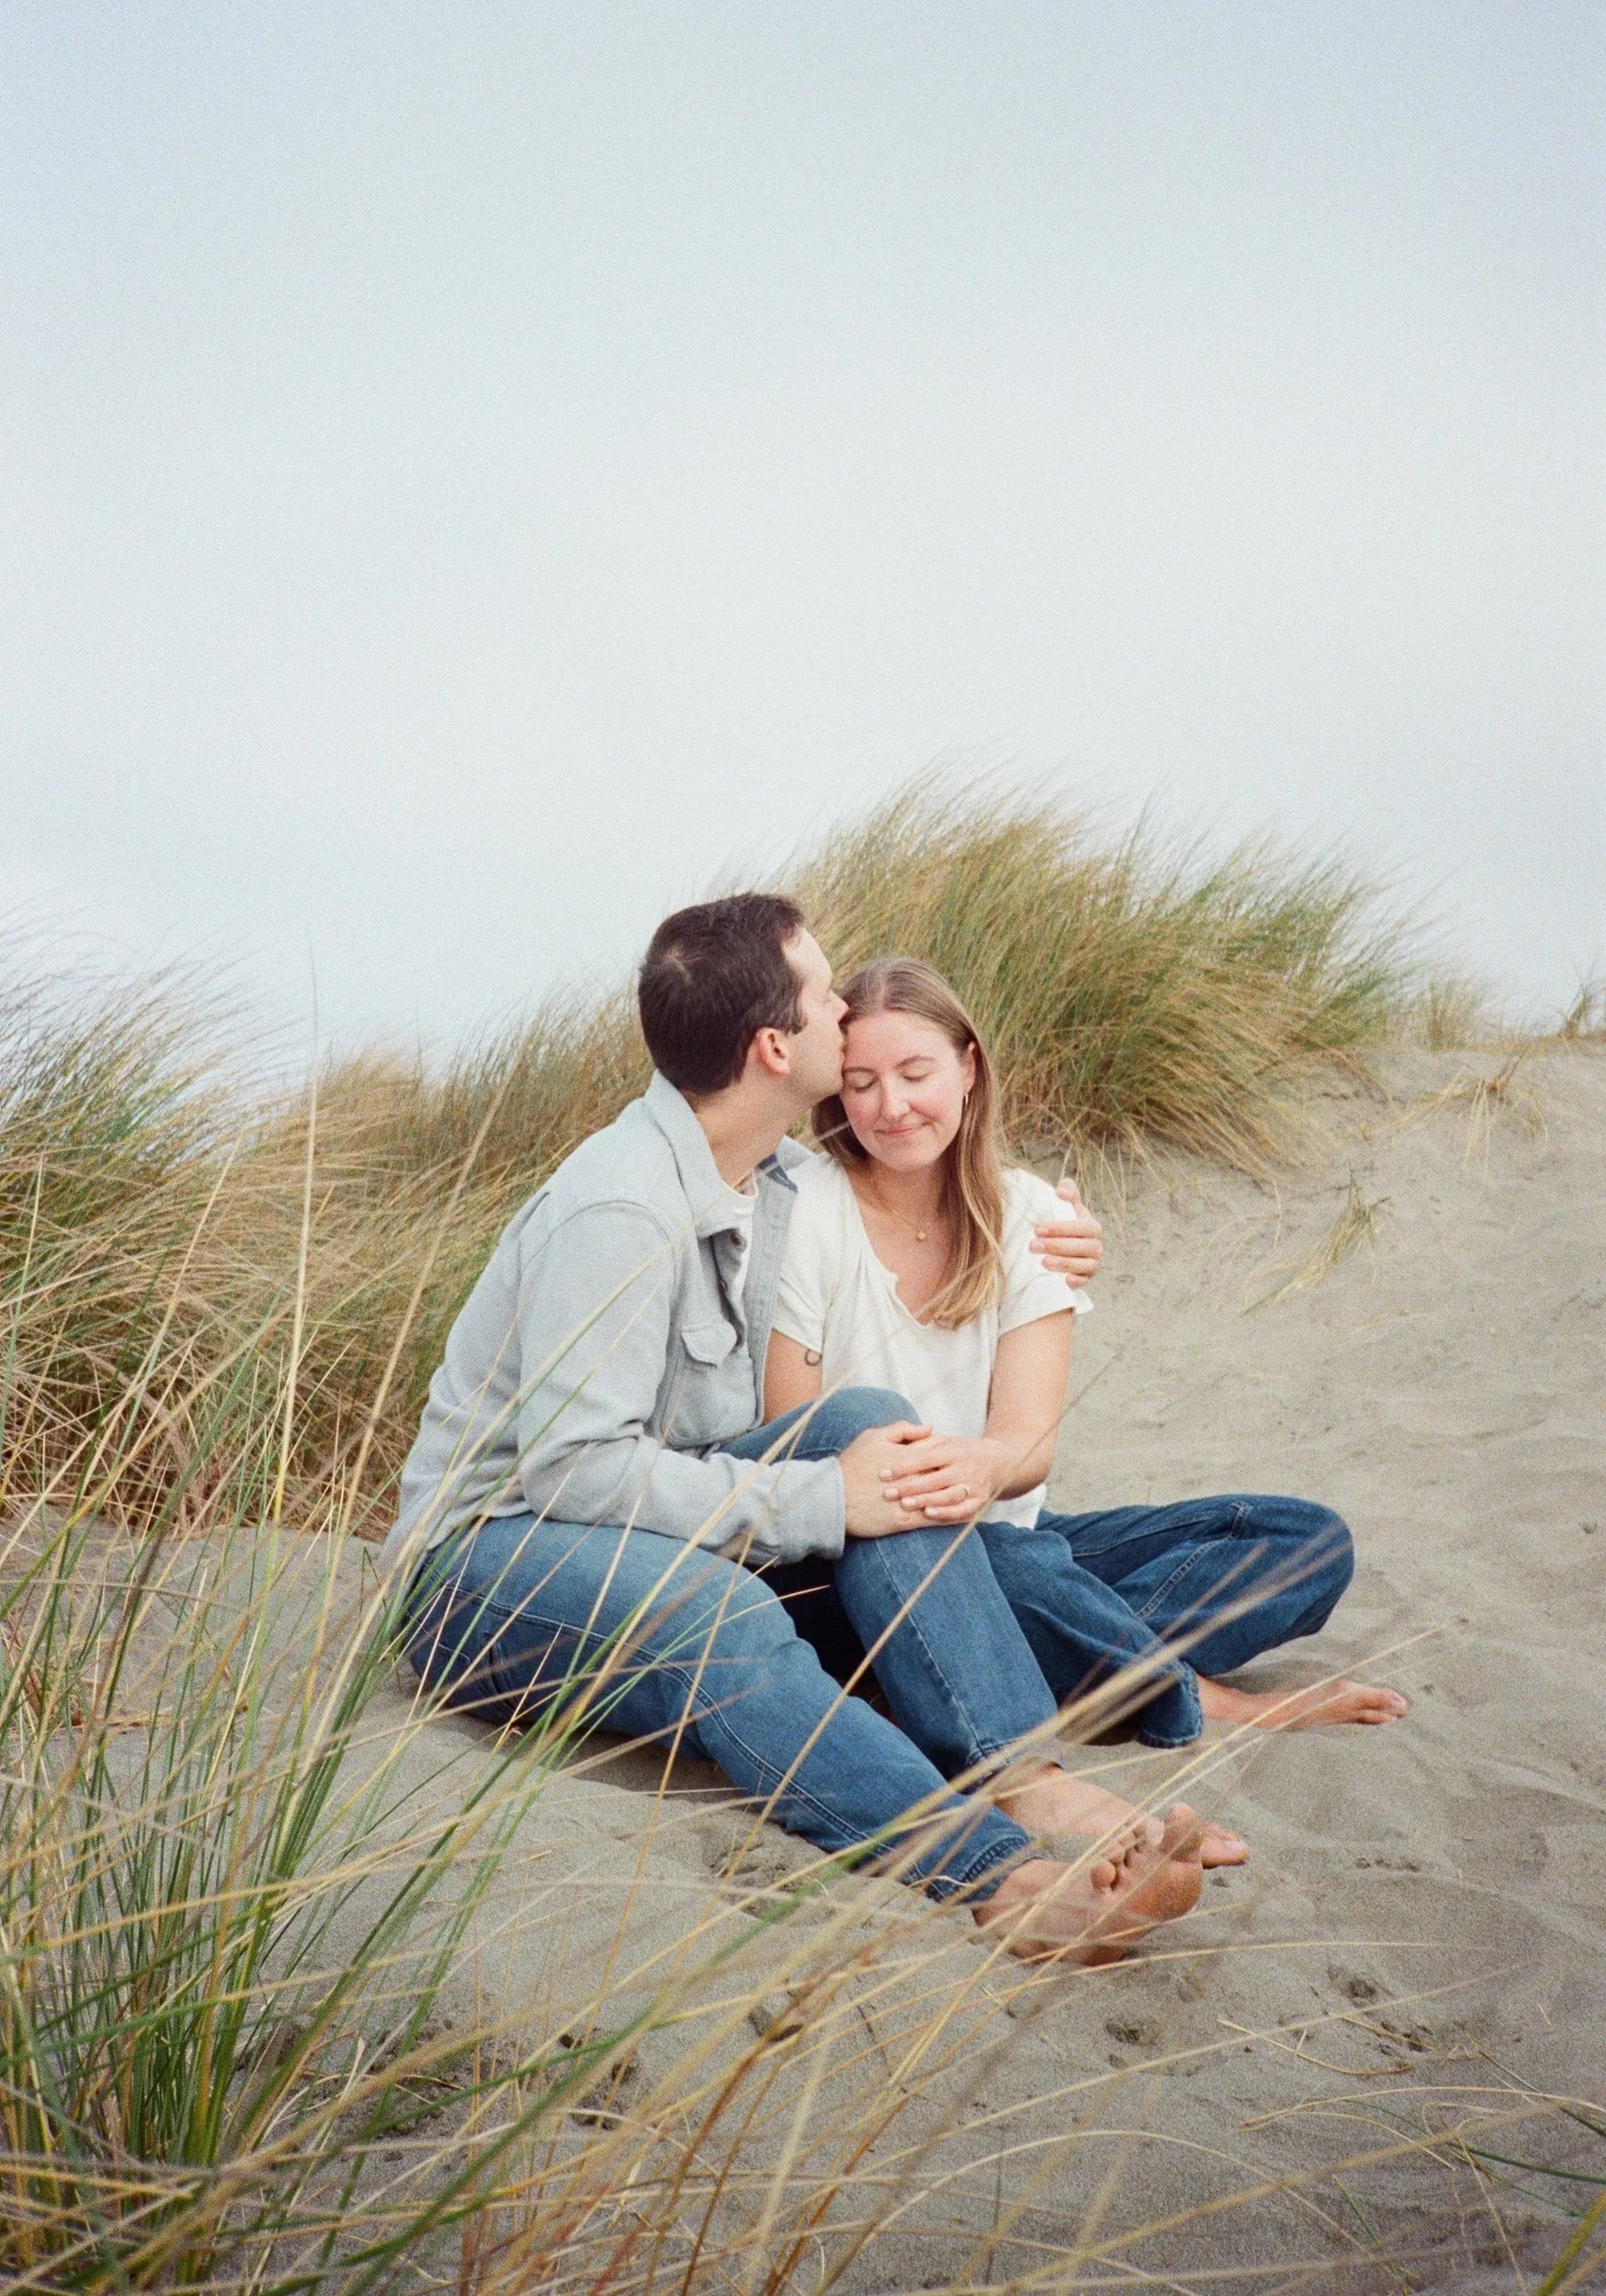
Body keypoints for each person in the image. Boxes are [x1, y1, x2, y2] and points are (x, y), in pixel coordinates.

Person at [381, 895, 1203, 1963]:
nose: (842, 1005)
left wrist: (1059, 1227)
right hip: (483, 1568)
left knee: (869, 1422)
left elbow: (942, 1183)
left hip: (643, 1519)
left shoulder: (768, 1178)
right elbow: (571, 1468)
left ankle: (1020, 1770)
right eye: (824, 994)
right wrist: (820, 1499)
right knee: (716, 1606)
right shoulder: (621, 1206)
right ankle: (1006, 1876)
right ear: (775, 1046)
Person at [762, 955, 1408, 1851]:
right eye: (861, 1083)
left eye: (915, 1073)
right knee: (1004, 1566)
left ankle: (996, 1658)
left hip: (1005, 1533)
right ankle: (1197, 1696)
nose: (892, 1106)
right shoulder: (807, 1212)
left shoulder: (1027, 1212)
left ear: (967, 1067)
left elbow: (1026, 1447)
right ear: (834, 1093)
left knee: (1304, 1541)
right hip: (856, 1559)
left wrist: (983, 1464)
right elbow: (790, 1441)